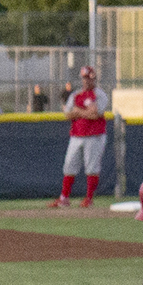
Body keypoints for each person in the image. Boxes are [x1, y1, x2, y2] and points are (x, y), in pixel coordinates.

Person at [48, 65, 110, 208]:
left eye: (88, 78)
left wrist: (78, 111)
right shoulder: (76, 95)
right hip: (77, 134)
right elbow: (67, 114)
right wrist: (85, 111)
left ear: (93, 79)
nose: (86, 81)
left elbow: (95, 114)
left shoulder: (99, 94)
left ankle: (89, 198)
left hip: (95, 135)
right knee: (69, 165)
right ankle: (64, 198)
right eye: (84, 78)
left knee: (91, 167)